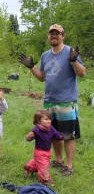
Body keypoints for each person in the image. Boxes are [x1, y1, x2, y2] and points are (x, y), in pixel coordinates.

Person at [19, 24, 86, 176]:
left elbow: (82, 73)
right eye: (51, 33)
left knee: (68, 135)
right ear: (48, 36)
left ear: (63, 35)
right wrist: (31, 67)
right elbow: (42, 77)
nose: (54, 36)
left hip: (66, 101)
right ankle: (58, 160)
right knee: (54, 133)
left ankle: (69, 166)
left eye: (57, 33)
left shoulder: (70, 51)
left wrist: (74, 61)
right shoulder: (45, 56)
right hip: (49, 102)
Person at [24, 110, 63, 186]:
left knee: (38, 162)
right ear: (39, 121)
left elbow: (56, 134)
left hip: (47, 151)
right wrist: (29, 137)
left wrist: (61, 136)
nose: (49, 121)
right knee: (43, 166)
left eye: (49, 119)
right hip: (39, 152)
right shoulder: (36, 129)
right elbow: (29, 137)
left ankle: (29, 167)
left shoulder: (51, 128)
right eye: (46, 119)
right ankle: (45, 180)